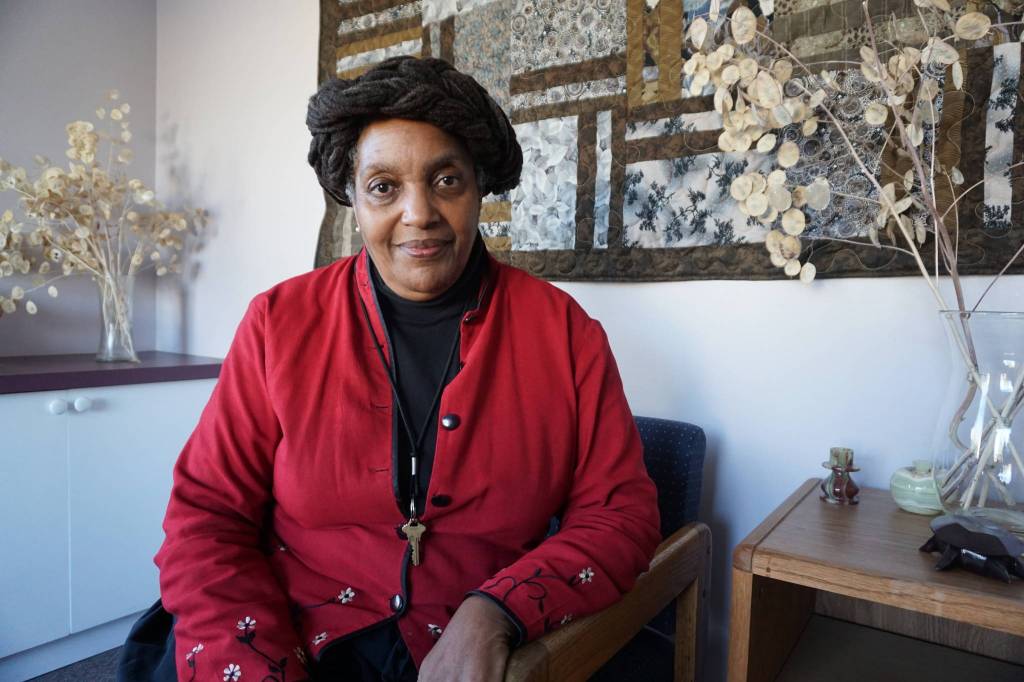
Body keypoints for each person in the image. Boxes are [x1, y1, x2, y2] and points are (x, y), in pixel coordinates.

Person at [137, 56, 660, 682]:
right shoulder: (277, 323)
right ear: (353, 199)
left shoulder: (566, 334)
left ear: (478, 189)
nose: (419, 213)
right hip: (286, 627)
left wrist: (494, 612)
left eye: (446, 181)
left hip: (470, 647)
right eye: (385, 186)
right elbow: (206, 514)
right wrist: (254, 662)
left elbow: (620, 514)